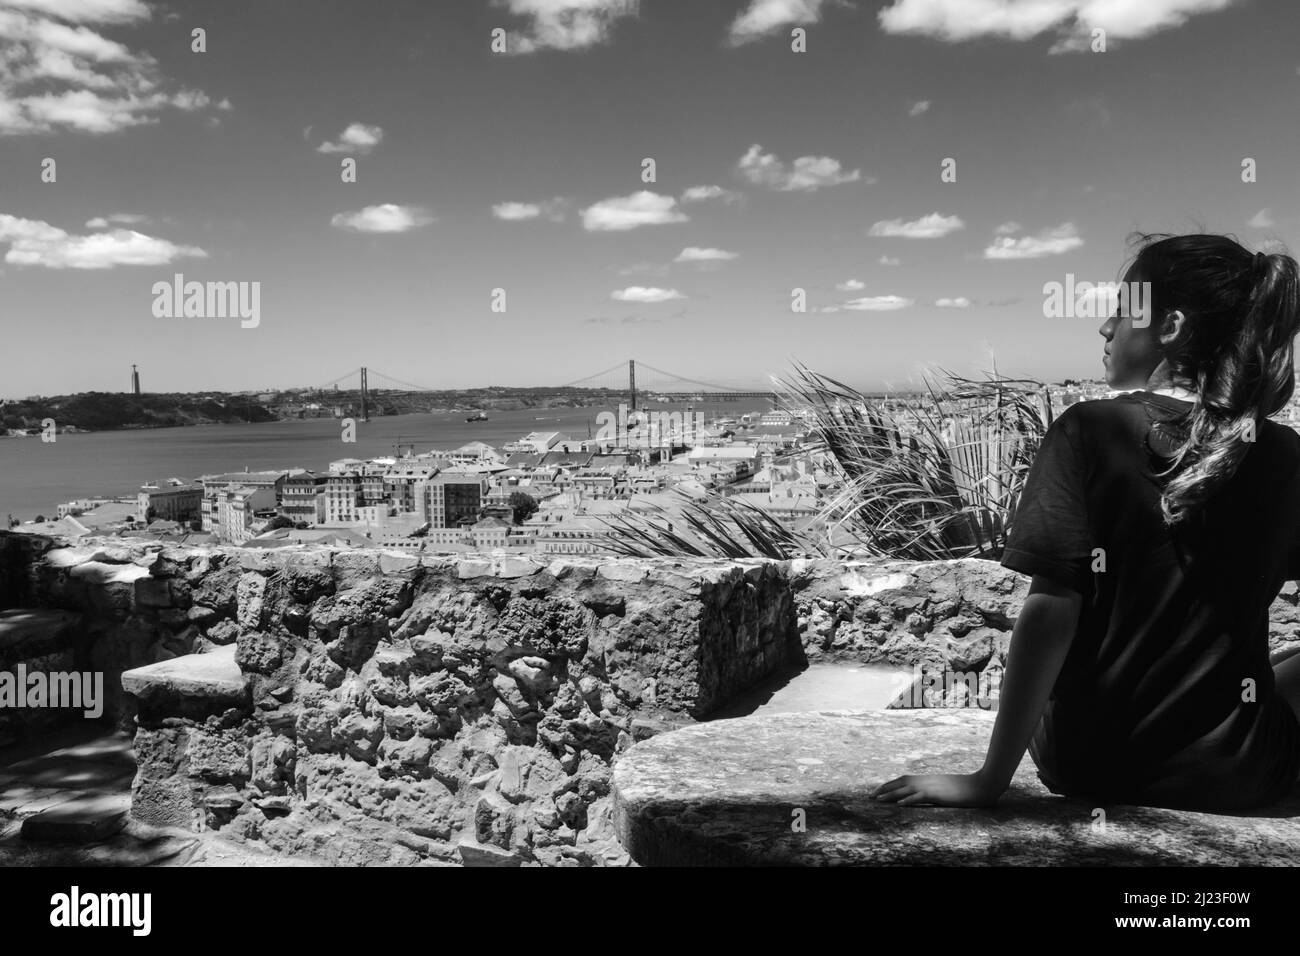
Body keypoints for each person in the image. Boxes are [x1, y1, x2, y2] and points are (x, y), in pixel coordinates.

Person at [873, 233, 1300, 811]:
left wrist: (989, 779)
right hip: (1235, 775)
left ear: (1170, 328)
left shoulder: (1088, 431)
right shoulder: (1281, 453)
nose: (1105, 329)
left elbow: (1050, 614)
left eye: (1122, 312)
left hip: (1086, 761)